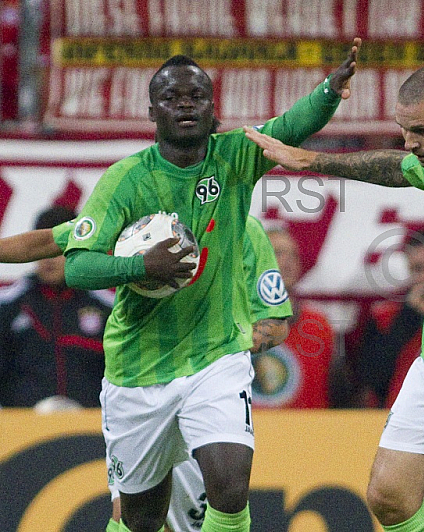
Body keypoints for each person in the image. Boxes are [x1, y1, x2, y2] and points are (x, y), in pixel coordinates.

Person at [61, 38, 360, 532]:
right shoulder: (125, 180)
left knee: (230, 487)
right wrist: (141, 268)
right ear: (152, 109)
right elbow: (77, 267)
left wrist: (329, 89)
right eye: (172, 97)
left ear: (212, 108)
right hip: (139, 369)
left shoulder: (234, 158)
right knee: (140, 518)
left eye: (196, 97)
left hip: (215, 358)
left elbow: (290, 127)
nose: (185, 105)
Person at [246, 65, 424, 531]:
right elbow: (392, 168)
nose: (411, 143)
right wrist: (310, 161)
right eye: (404, 130)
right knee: (389, 495)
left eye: (421, 131)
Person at [0, 212, 293, 531]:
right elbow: (47, 240)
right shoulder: (130, 214)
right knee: (129, 514)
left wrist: (223, 344)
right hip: (138, 384)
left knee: (215, 506)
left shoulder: (242, 228)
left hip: (206, 385)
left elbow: (275, 324)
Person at [0, 205, 111, 408]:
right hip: (21, 430)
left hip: (89, 429)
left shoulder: (106, 308)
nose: (49, 258)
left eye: (58, 249)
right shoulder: (8, 306)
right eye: (42, 249)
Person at [251, 223, 334, 408]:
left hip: (309, 433)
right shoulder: (235, 323)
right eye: (278, 253)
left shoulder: (318, 325)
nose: (288, 261)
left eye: (294, 255)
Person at [351, 227, 424, 408]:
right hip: (398, 420)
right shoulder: (384, 316)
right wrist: (408, 317)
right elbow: (372, 379)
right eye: (418, 269)